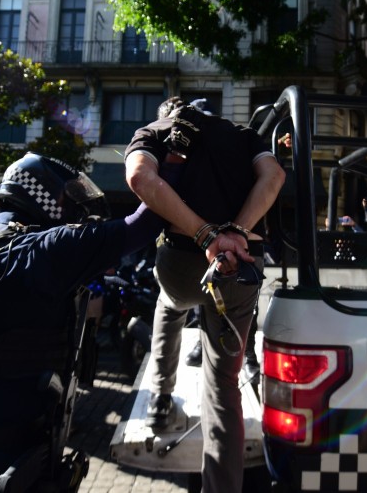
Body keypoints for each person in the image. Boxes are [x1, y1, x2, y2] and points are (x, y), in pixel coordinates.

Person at [0, 151, 189, 492]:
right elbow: (143, 224)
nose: (77, 208)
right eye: (70, 197)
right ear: (41, 193)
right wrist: (175, 162)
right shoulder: (45, 249)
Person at [125, 98, 285, 493]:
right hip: (241, 263)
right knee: (223, 387)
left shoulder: (157, 130)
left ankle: (161, 396)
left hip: (182, 261)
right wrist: (236, 233)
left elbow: (141, 178)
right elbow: (274, 175)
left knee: (169, 304)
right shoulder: (244, 135)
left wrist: (205, 235)